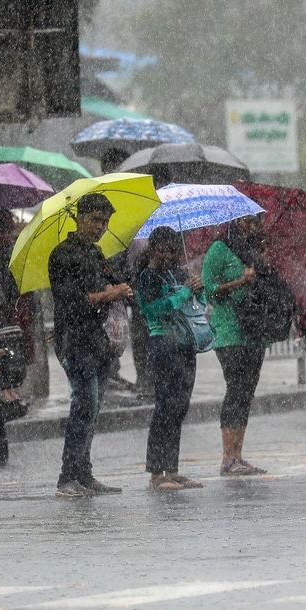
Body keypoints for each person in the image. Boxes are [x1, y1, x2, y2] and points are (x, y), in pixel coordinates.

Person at [49, 192, 133, 497]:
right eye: (95, 220)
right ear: (80, 218)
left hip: (99, 341)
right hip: (74, 342)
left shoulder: (96, 254)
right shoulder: (62, 255)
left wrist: (120, 288)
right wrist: (110, 294)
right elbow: (72, 302)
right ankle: (66, 478)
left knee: (92, 408)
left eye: (105, 221)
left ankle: (84, 475)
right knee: (83, 405)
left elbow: (111, 283)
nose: (100, 226)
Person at [135, 226, 205, 491]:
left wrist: (198, 289)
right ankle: (156, 472)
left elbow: (193, 304)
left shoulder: (176, 272)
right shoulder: (147, 277)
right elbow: (156, 309)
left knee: (179, 407)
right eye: (163, 249)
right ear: (153, 249)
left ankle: (172, 468)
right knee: (165, 407)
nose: (168, 254)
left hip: (185, 343)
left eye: (172, 249)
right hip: (163, 345)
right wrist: (185, 292)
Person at [202, 215, 268, 475]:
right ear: (237, 221)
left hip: (254, 331)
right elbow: (209, 290)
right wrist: (241, 281)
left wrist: (264, 265)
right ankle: (227, 457)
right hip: (229, 331)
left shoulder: (255, 250)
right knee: (236, 389)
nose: (252, 227)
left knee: (247, 392)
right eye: (248, 221)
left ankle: (238, 455)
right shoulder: (220, 249)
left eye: (256, 222)